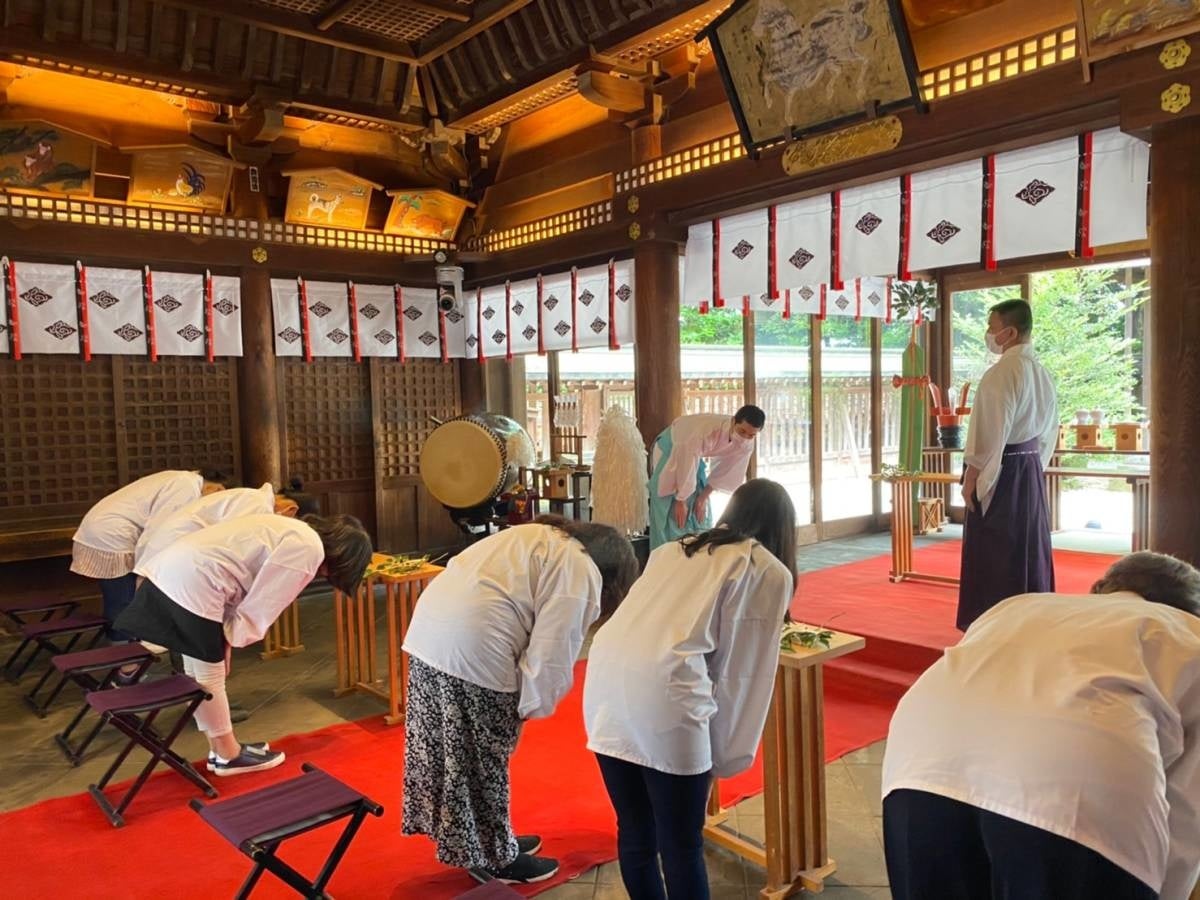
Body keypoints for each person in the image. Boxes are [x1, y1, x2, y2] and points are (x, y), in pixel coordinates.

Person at [882, 551, 1200, 900]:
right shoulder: (1187, 633)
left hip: (921, 761)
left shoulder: (1019, 606)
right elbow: (1188, 807)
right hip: (1071, 789)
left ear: (1102, 589)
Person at [584, 479, 798, 900]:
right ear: (783, 527)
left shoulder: (673, 548)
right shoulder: (763, 568)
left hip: (605, 684)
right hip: (666, 697)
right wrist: (724, 755)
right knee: (682, 846)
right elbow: (742, 675)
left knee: (636, 832)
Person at [401, 515, 639, 886]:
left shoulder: (541, 535)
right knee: (483, 758)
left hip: (429, 632)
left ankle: (481, 842)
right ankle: (497, 857)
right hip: (474, 644)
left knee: (452, 752)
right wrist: (528, 707)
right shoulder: (580, 569)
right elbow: (552, 654)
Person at [115, 514, 372, 776]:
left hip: (173, 572)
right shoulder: (308, 551)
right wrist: (231, 639)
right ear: (344, 558)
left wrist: (225, 641)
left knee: (198, 673)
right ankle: (228, 754)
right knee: (209, 677)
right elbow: (260, 607)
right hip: (195, 583)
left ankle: (220, 749)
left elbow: (241, 586)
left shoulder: (296, 530)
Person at [958, 299, 1058, 630]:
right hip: (1028, 467)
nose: (988, 334)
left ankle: (994, 626)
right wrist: (1035, 466)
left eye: (991, 327)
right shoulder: (1041, 372)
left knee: (997, 549)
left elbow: (989, 434)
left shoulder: (1001, 373)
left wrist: (974, 478)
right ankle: (1034, 621)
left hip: (1003, 468)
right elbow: (1049, 432)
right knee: (1027, 544)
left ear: (1009, 332)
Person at [71, 469, 232, 639]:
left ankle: (126, 648)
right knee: (123, 599)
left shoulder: (182, 478)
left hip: (104, 530)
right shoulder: (186, 486)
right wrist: (146, 570)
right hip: (112, 536)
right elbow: (158, 531)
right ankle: (124, 654)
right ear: (217, 488)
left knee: (123, 597)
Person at [647, 405, 765, 550]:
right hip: (673, 446)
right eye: (742, 431)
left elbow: (728, 472)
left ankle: (694, 551)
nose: (745, 437)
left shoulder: (747, 443)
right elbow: (686, 461)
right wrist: (680, 500)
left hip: (694, 455)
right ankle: (667, 554)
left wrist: (703, 497)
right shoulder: (703, 432)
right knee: (669, 506)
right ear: (734, 421)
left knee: (699, 505)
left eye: (751, 435)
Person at [133, 480, 319, 568]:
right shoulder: (257, 504)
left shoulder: (254, 497)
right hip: (173, 549)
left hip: (176, 549)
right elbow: (237, 545)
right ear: (291, 510)